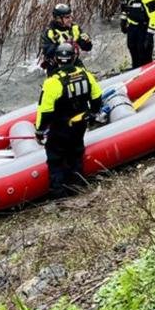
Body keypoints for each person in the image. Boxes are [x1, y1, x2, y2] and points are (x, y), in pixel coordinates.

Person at [35, 43, 102, 198]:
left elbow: (45, 111)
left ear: (57, 60)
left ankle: (60, 195)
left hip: (60, 128)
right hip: (79, 125)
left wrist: (40, 131)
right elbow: (97, 97)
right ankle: (77, 186)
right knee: (76, 152)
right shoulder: (85, 74)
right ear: (74, 58)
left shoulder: (52, 82)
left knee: (56, 159)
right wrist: (93, 113)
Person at [39, 3, 92, 72]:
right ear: (58, 19)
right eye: (67, 17)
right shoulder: (49, 32)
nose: (70, 19)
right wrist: (59, 45)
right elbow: (47, 52)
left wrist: (87, 42)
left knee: (86, 76)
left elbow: (86, 48)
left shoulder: (75, 28)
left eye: (70, 16)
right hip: (56, 65)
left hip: (73, 61)